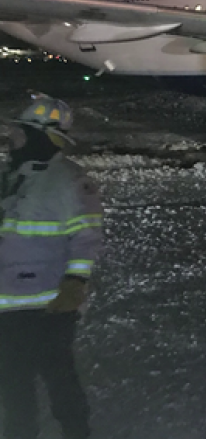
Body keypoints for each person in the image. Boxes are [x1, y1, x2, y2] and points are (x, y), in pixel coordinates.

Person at [0, 94, 103, 439]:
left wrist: (75, 281)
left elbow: (86, 236)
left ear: (41, 135)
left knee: (60, 381)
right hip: (7, 304)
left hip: (49, 305)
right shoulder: (11, 176)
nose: (11, 140)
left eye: (18, 134)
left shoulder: (67, 180)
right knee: (14, 390)